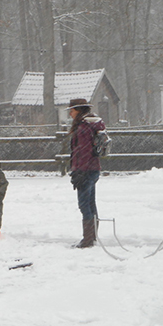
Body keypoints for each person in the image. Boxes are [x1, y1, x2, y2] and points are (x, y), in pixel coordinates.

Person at [67, 98, 106, 248]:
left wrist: (79, 172)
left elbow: (82, 152)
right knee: (90, 203)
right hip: (93, 169)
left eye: (72, 110)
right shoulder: (92, 124)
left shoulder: (83, 127)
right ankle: (92, 235)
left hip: (85, 170)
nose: (70, 113)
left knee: (84, 205)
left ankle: (88, 239)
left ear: (79, 110)